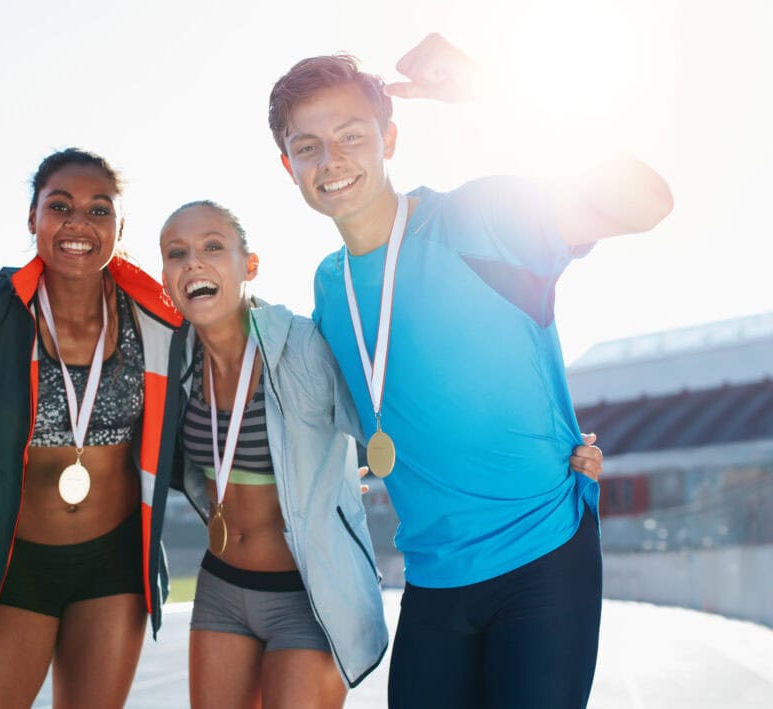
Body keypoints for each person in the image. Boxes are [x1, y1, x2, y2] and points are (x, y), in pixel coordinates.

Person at [268, 35, 671, 708]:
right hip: (434, 577)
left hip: (541, 555)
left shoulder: (481, 217)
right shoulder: (329, 287)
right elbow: (377, 406)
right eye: (307, 146)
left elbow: (648, 203)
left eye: (350, 136)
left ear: (390, 138)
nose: (330, 160)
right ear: (289, 166)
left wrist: (495, 92)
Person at [158, 201, 604, 708]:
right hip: (220, 587)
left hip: (307, 594)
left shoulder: (301, 345)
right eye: (177, 253)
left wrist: (548, 450)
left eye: (213, 246)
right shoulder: (172, 358)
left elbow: (398, 415)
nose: (194, 262)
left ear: (250, 265)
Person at [0, 148, 185, 708]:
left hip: (115, 563)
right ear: (33, 218)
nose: (79, 223)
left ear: (120, 227)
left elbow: (230, 367)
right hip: (16, 561)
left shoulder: (156, 315)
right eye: (60, 206)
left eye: (99, 210)